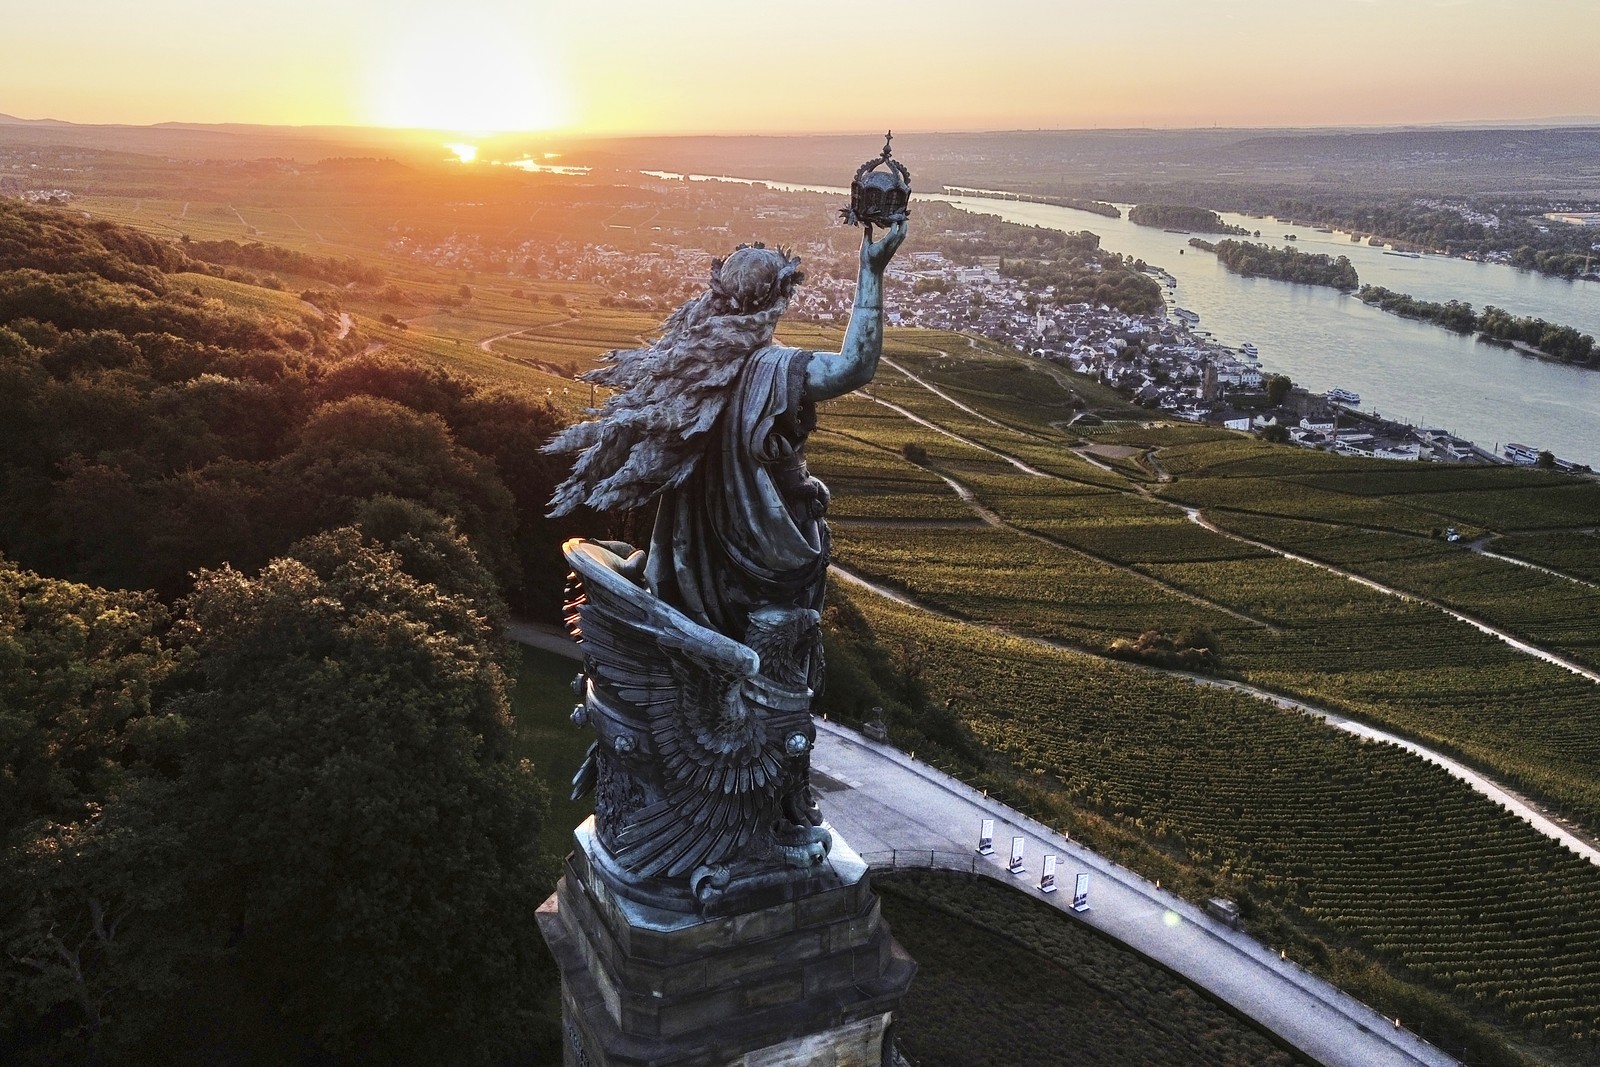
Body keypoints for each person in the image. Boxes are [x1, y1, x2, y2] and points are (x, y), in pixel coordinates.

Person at [546, 220, 908, 672]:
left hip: (695, 561)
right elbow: (854, 367)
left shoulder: (693, 367)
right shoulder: (770, 368)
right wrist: (870, 271)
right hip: (760, 554)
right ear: (777, 299)